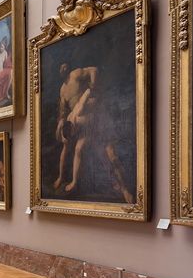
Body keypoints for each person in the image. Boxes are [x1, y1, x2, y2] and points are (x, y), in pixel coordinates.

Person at [53, 63, 133, 203]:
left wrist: (93, 88)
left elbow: (89, 89)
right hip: (90, 127)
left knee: (110, 155)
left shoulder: (77, 112)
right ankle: (75, 182)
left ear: (72, 128)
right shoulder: (71, 115)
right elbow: (63, 113)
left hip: (99, 122)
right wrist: (59, 126)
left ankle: (125, 189)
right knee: (79, 149)